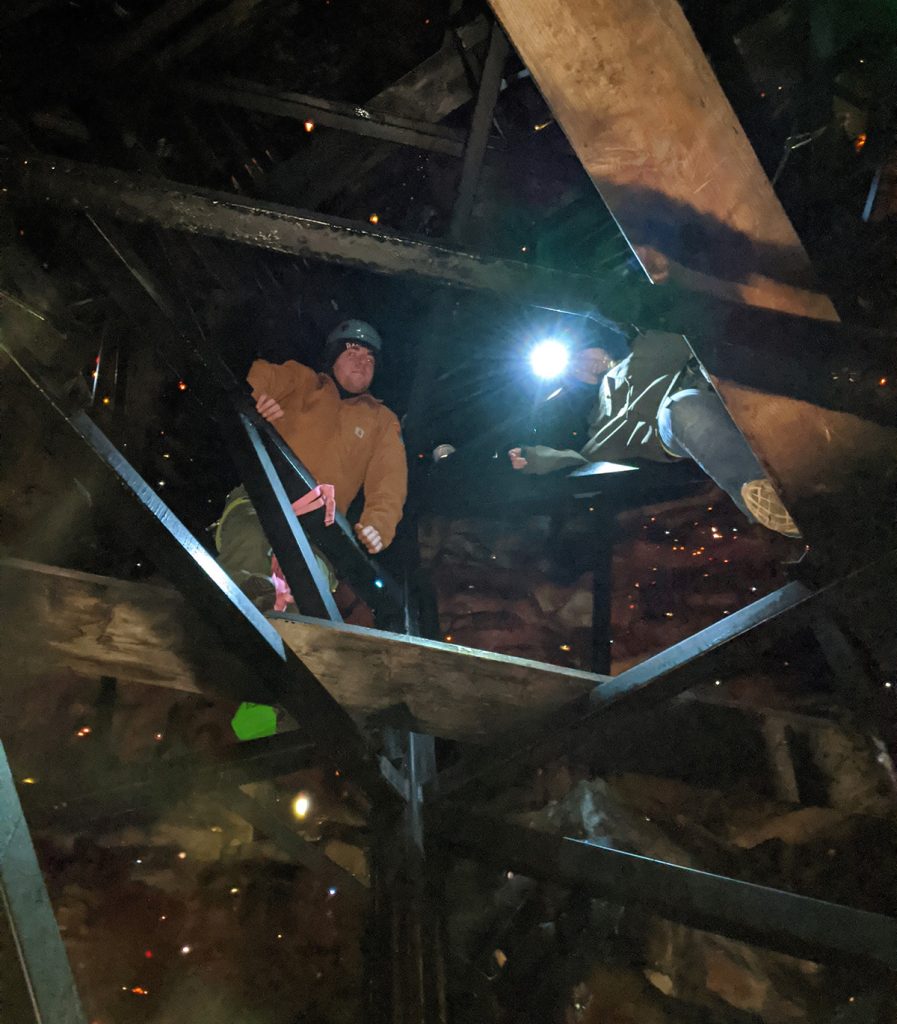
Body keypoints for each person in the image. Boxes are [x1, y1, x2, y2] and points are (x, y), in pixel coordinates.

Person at [509, 329, 801, 538]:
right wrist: (535, 458)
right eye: (577, 370)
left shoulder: (643, 342)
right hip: (671, 419)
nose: (585, 364)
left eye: (581, 356)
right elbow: (579, 459)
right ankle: (772, 497)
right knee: (684, 410)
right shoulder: (602, 419)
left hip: (708, 371)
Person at [216, 318, 408, 609]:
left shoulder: (381, 421)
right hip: (261, 499)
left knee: (310, 580)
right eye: (352, 352)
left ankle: (292, 636)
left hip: (321, 528)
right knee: (250, 539)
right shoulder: (303, 382)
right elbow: (263, 376)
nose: (362, 362)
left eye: (370, 357)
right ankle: (235, 609)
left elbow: (389, 481)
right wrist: (254, 399)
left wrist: (377, 526)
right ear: (333, 358)